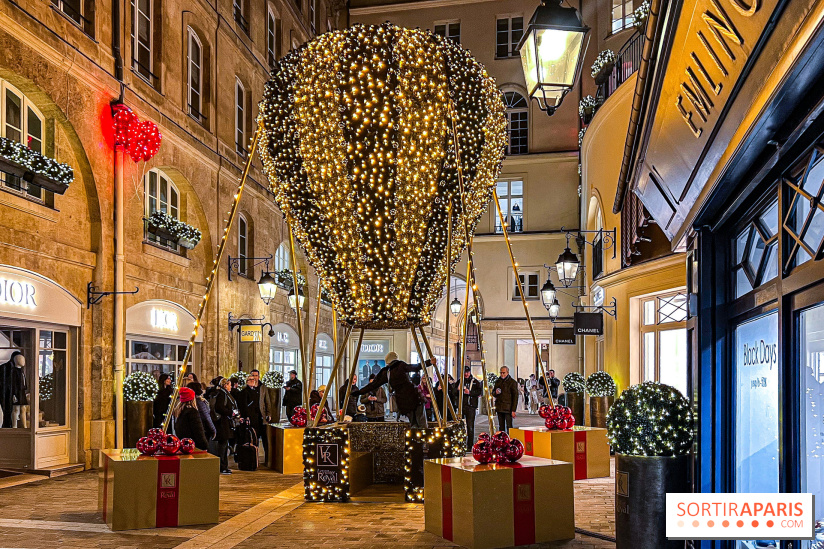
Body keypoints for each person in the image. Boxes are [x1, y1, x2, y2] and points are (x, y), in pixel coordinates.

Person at [352, 351, 431, 428]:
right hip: (415, 397)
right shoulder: (401, 365)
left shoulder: (386, 372)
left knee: (413, 424)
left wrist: (359, 392)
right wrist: (429, 362)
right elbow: (416, 367)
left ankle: (415, 440)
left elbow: (372, 385)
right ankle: (423, 439)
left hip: (403, 401)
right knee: (422, 424)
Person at [211, 377, 238, 474]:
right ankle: (222, 466)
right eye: (229, 385)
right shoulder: (222, 394)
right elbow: (219, 408)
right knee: (223, 445)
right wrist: (231, 413)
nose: (231, 387)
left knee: (224, 445)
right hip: (222, 423)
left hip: (225, 423)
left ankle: (224, 466)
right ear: (225, 385)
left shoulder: (224, 393)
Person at [238, 375, 267, 463]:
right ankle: (248, 459)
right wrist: (246, 416)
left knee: (255, 438)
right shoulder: (244, 392)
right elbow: (244, 406)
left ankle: (254, 457)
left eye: (254, 379)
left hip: (257, 417)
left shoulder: (255, 391)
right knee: (248, 438)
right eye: (250, 379)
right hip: (249, 418)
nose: (253, 381)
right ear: (247, 381)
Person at [493, 366, 519, 433]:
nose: (502, 374)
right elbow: (493, 393)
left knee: (509, 426)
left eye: (503, 373)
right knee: (501, 426)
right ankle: (502, 440)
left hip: (508, 408)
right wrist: (495, 392)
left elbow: (515, 397)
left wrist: (513, 410)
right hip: (499, 407)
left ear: (507, 372)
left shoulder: (512, 382)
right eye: (501, 373)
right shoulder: (498, 381)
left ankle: (509, 440)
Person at [461, 367, 482, 448]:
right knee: (462, 426)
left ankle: (470, 445)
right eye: (465, 372)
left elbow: (479, 392)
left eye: (467, 372)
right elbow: (454, 392)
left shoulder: (475, 382)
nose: (466, 374)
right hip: (462, 406)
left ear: (470, 372)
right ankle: (462, 444)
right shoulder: (461, 381)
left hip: (471, 407)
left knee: (470, 427)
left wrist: (470, 392)